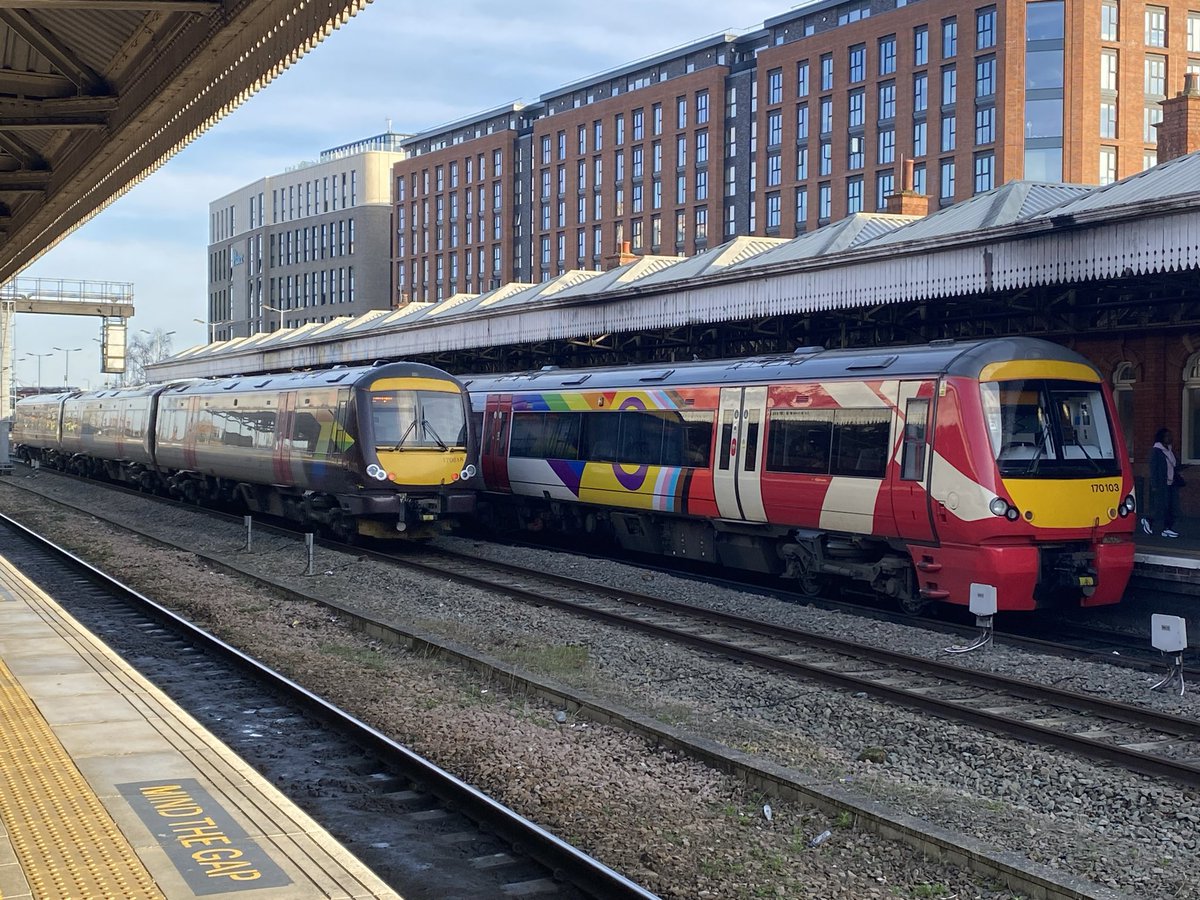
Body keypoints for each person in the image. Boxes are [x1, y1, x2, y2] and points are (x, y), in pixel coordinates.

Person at [1142, 427, 1182, 538]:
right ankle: (1148, 520)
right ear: (1162, 437)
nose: (1170, 438)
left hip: (1171, 483)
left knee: (1172, 507)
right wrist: (1154, 484)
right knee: (1161, 507)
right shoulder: (1156, 451)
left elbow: (1174, 465)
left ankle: (1167, 529)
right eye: (1167, 436)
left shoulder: (1170, 450)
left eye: (1170, 436)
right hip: (1161, 484)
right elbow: (1154, 469)